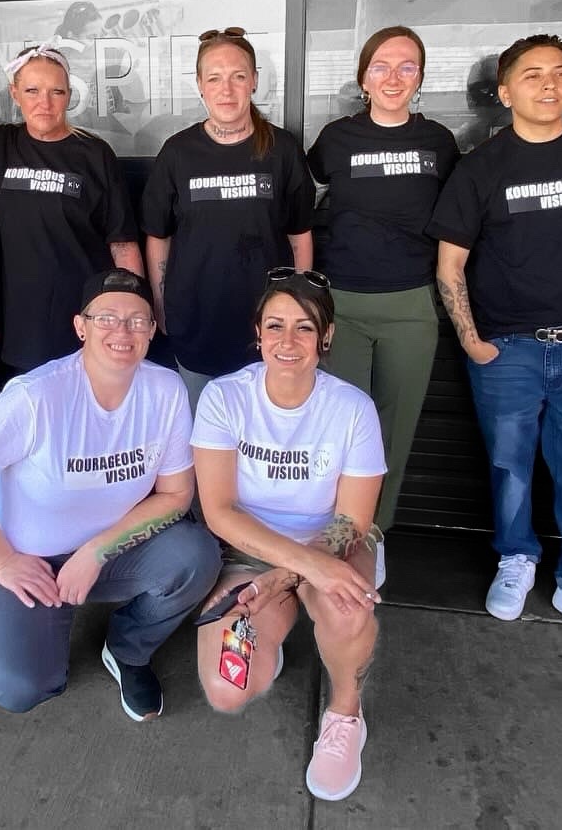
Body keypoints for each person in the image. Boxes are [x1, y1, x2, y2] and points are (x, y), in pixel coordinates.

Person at [428, 34, 562, 658]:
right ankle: (516, 557)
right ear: (504, 92)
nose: (549, 85)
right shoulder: (480, 168)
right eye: (532, 75)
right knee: (509, 466)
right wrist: (472, 340)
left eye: (560, 73)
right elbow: (450, 263)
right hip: (508, 350)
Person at [0, 269, 221, 720]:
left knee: (196, 556)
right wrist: (3, 561)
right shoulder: (36, 396)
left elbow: (176, 494)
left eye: (137, 320)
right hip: (29, 556)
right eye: (106, 318)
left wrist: (95, 552)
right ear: (81, 326)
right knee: (20, 689)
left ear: (152, 331)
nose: (122, 331)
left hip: (112, 548)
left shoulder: (165, 390)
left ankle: (127, 649)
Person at [191, 270, 386, 804]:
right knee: (229, 689)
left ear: (326, 336)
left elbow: (352, 521)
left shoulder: (352, 408)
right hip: (249, 550)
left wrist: (294, 573)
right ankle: (272, 637)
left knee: (347, 610)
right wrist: (286, 572)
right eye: (275, 325)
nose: (288, 340)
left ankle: (345, 712)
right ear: (258, 332)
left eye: (305, 327)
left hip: (334, 545)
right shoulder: (224, 397)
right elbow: (219, 512)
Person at [307, 25, 459, 550]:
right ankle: (330, 534)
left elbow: (456, 221)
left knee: (395, 428)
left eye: (407, 67)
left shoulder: (438, 142)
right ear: (363, 78)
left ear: (420, 78)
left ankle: (372, 535)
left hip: (411, 303)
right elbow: (304, 205)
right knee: (340, 426)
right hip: (342, 303)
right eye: (381, 67)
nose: (394, 77)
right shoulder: (336, 139)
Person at [143, 26, 315, 411]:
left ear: (254, 81)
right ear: (199, 85)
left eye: (238, 76)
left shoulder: (282, 149)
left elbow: (300, 235)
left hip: (269, 325)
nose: (227, 89)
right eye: (214, 78)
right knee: (202, 431)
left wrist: (302, 305)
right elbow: (158, 235)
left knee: (263, 430)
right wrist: (160, 302)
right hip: (196, 320)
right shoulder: (177, 153)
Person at [0, 42, 142, 371]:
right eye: (32, 91)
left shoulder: (94, 153)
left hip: (88, 315)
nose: (44, 103)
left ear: (69, 95)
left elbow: (122, 243)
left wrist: (134, 314)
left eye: (56, 92)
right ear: (14, 93)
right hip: (21, 323)